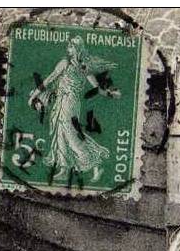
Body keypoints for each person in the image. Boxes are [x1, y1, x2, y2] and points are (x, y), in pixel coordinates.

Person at [27, 35, 121, 183]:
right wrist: (35, 95)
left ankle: (93, 160)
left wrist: (110, 93)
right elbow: (49, 79)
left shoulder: (83, 67)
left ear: (77, 48)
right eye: (68, 46)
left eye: (71, 46)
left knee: (70, 133)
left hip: (70, 102)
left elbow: (96, 87)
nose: (68, 49)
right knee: (61, 132)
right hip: (63, 101)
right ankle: (64, 169)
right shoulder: (67, 63)